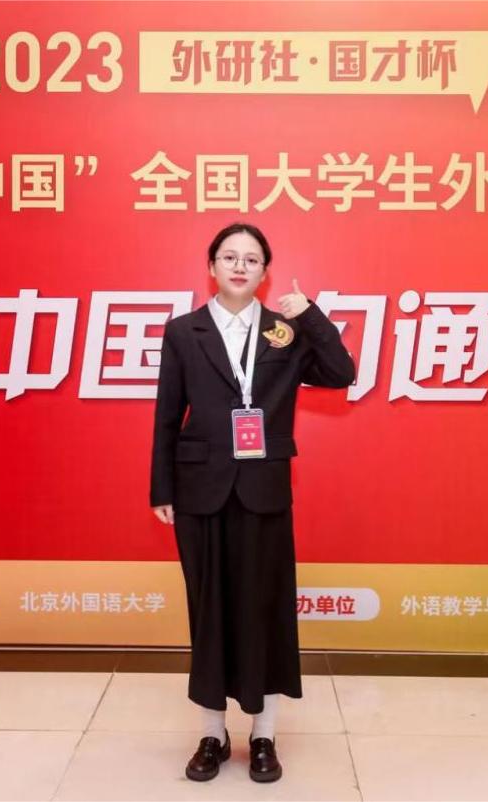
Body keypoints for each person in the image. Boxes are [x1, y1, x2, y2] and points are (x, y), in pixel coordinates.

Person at [148, 222, 356, 783]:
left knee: (265, 607)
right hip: (199, 490)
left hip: (264, 488)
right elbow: (167, 413)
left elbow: (342, 372)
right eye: (229, 257)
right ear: (211, 267)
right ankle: (212, 735)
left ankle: (264, 735)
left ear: (265, 273)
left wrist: (310, 315)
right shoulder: (183, 331)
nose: (240, 266)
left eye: (251, 259)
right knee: (208, 611)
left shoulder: (285, 331)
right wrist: (161, 488)